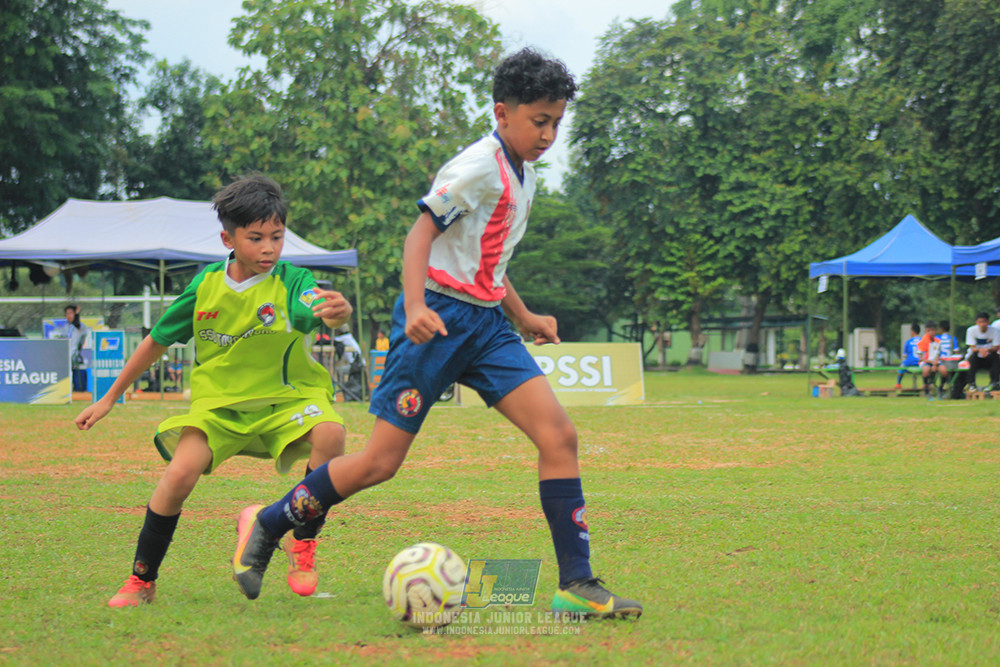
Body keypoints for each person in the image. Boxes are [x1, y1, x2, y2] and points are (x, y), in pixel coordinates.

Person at [230, 48, 642, 618]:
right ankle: (270, 520)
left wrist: (522, 316)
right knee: (379, 463)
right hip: (437, 322)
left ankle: (576, 583)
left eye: (556, 122)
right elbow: (419, 236)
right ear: (502, 114)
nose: (548, 134)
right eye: (538, 121)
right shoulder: (477, 166)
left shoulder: (524, 176)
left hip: (488, 326)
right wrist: (418, 305)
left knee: (559, 437)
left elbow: (488, 262)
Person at [74, 174, 353, 607]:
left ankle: (302, 543)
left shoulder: (294, 280)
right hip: (218, 406)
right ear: (228, 237)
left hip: (287, 399)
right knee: (179, 475)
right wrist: (110, 397)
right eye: (256, 237)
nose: (269, 248)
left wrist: (336, 312)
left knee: (332, 434)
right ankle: (141, 581)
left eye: (277, 237)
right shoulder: (204, 286)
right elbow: (156, 342)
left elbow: (316, 309)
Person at [964, 311, 1000, 391]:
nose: (982, 324)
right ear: (976, 322)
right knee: (972, 359)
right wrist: (980, 351)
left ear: (988, 322)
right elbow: (972, 347)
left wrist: (987, 350)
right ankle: (971, 383)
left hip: (989, 354)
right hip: (976, 355)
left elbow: (996, 347)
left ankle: (995, 382)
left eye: (984, 322)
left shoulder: (995, 331)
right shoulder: (971, 330)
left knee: (996, 358)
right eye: (980, 322)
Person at [65, 304, 89, 393]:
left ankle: (78, 388)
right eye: (67, 313)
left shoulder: (80, 327)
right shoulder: (65, 327)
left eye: (71, 313)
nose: (69, 316)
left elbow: (80, 337)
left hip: (73, 355)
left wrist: (77, 315)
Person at [916, 321, 943, 398]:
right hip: (926, 362)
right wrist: (932, 362)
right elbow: (921, 358)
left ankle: (940, 389)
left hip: (935, 362)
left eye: (934, 330)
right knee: (926, 370)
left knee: (944, 370)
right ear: (926, 331)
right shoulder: (922, 342)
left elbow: (938, 354)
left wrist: (935, 363)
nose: (932, 332)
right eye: (930, 330)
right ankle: (927, 390)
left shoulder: (938, 341)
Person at [894, 322, 922, 389]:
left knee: (901, 367)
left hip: (910, 362)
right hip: (920, 362)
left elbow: (905, 356)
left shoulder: (908, 341)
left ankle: (898, 383)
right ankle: (925, 383)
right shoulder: (922, 340)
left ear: (912, 332)